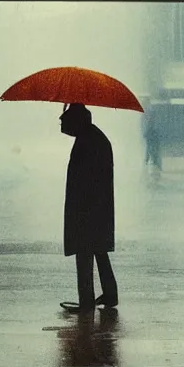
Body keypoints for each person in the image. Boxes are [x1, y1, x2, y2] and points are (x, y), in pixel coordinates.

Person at [59, 103, 118, 313]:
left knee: (84, 253)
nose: (61, 121)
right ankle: (110, 294)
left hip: (87, 209)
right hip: (97, 207)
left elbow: (83, 178)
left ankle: (86, 301)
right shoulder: (93, 137)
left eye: (65, 118)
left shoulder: (87, 142)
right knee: (99, 250)